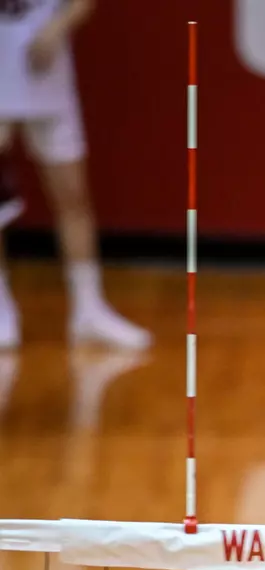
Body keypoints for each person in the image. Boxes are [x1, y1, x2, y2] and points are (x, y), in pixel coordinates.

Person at [0, 0, 151, 351]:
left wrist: (56, 27)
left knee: (73, 196)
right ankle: (2, 309)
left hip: (48, 79)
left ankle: (89, 308)